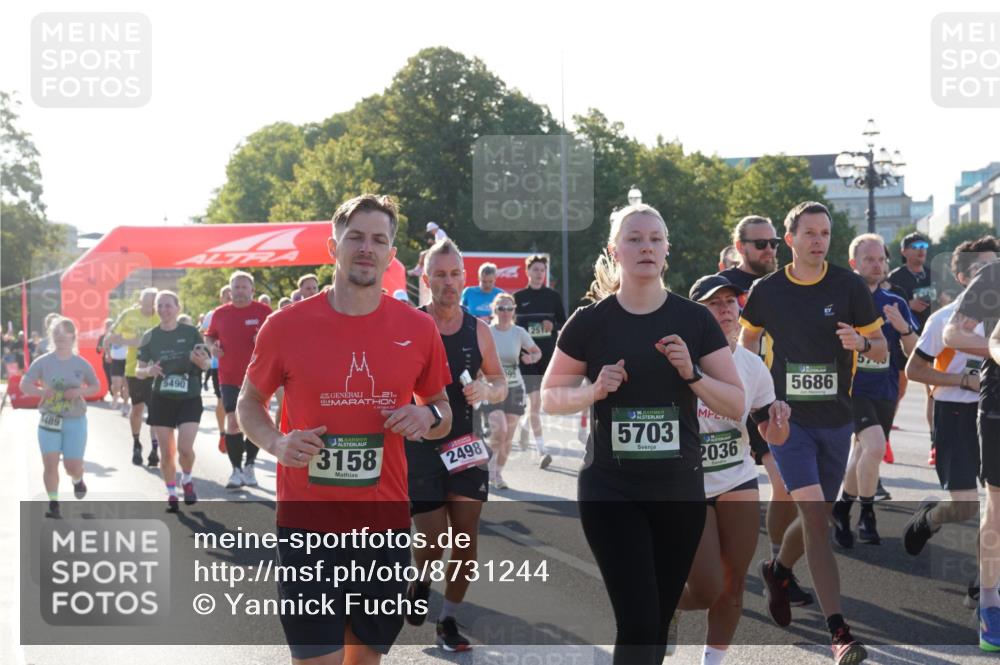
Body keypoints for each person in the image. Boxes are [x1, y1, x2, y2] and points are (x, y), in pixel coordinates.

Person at [237, 193, 452, 664]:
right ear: (333, 247)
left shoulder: (418, 329)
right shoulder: (285, 326)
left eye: (378, 239)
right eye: (355, 237)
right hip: (308, 526)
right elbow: (249, 402)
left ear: (391, 254)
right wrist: (276, 441)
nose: (366, 248)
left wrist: (427, 416)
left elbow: (442, 410)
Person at [542, 203, 744, 664]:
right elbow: (550, 397)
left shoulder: (695, 320)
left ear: (667, 250)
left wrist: (692, 374)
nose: (646, 247)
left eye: (655, 239)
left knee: (656, 621)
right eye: (634, 239)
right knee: (636, 622)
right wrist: (594, 390)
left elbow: (735, 403)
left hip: (678, 490)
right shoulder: (590, 322)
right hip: (611, 487)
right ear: (615, 250)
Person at [740, 201, 885, 664]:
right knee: (818, 521)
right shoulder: (767, 290)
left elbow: (881, 348)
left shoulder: (849, 286)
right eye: (810, 233)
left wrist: (862, 342)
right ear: (791, 240)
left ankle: (778, 569)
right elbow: (746, 341)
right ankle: (839, 631)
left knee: (816, 515)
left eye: (825, 233)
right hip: (788, 421)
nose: (819, 240)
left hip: (836, 420)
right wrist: (756, 398)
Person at [675, 275, 790, 665]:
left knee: (733, 585)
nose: (725, 309)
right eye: (714, 303)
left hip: (737, 476)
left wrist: (779, 422)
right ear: (696, 314)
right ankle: (667, 603)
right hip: (687, 483)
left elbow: (771, 434)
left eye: (730, 301)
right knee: (706, 587)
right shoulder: (679, 360)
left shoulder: (752, 365)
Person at [403, 238, 507, 651]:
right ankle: (420, 579)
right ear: (427, 280)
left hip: (464, 444)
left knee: (465, 539)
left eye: (454, 274)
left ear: (464, 278)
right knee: (432, 540)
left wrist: (486, 389)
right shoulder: (410, 324)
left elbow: (499, 382)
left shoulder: (477, 329)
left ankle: (447, 619)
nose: (448, 282)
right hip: (420, 446)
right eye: (440, 275)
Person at [903, 237, 998, 612]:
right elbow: (914, 370)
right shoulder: (944, 319)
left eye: (992, 265)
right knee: (965, 507)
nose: (988, 274)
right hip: (955, 415)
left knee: (995, 505)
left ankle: (982, 584)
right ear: (962, 278)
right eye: (979, 269)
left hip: (990, 410)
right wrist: (962, 380)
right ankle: (931, 517)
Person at [718, 215, 810, 604]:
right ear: (740, 247)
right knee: (779, 483)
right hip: (740, 400)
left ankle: (776, 567)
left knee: (789, 489)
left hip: (783, 397)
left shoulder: (786, 284)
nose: (770, 249)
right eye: (760, 244)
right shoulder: (722, 288)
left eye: (773, 242)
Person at [832, 234, 917, 547]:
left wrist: (903, 328)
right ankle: (867, 514)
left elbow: (914, 351)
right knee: (875, 446)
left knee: (863, 451)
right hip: (851, 390)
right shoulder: (841, 301)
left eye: (881, 259)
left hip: (885, 389)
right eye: (869, 259)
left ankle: (842, 508)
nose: (877, 265)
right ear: (853, 263)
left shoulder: (895, 302)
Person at [942, 246, 1000, 651]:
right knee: (998, 505)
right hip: (998, 404)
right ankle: (990, 604)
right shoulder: (994, 276)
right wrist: (994, 349)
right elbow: (953, 333)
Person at [136, 291, 212, 512]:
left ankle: (186, 479)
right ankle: (171, 494)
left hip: (189, 397)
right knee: (167, 453)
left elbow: (207, 363)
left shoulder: (190, 333)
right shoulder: (150, 336)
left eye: (168, 305)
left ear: (178, 308)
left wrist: (200, 362)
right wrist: (149, 370)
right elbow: (138, 370)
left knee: (185, 449)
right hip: (162, 398)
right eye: (160, 305)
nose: (163, 309)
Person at [21, 317, 101, 518]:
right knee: (50, 464)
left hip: (75, 420)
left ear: (73, 336)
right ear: (51, 336)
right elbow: (25, 384)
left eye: (65, 333)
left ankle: (77, 479)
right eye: (57, 333)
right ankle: (53, 503)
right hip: (49, 419)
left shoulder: (81, 363)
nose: (61, 337)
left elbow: (96, 386)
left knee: (71, 467)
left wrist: (79, 391)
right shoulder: (43, 361)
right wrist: (41, 392)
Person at [206, 270, 273, 489]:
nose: (240, 291)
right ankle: (236, 470)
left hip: (258, 377)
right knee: (233, 422)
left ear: (252, 290)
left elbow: (279, 337)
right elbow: (210, 336)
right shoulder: (220, 313)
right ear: (230, 290)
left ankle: (250, 465)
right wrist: (212, 347)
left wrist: (263, 338)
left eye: (244, 287)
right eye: (236, 287)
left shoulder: (264, 311)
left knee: (255, 422)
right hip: (228, 377)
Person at [513, 254, 567, 468]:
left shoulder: (553, 296)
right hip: (526, 358)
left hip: (548, 356)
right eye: (535, 269)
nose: (539, 274)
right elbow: (511, 328)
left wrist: (552, 326)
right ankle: (542, 450)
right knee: (535, 402)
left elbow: (564, 323)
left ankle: (525, 426)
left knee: (539, 404)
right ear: (528, 271)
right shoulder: (518, 297)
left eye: (542, 270)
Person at [484, 292, 542, 489]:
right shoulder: (487, 331)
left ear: (514, 311)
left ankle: (497, 474)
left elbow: (537, 352)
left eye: (509, 308)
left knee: (508, 436)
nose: (505, 312)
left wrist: (531, 358)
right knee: (499, 430)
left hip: (515, 388)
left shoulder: (519, 332)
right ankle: (489, 466)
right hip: (492, 388)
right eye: (501, 308)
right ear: (495, 310)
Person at [889, 232, 935, 463]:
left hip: (930, 338)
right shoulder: (896, 277)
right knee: (898, 389)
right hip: (902, 339)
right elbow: (885, 304)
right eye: (915, 246)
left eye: (924, 245)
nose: (921, 249)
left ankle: (935, 443)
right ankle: (883, 435)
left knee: (933, 391)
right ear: (904, 251)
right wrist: (909, 304)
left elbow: (946, 298)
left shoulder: (933, 274)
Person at [109, 288, 161, 467]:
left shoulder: (163, 314)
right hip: (135, 369)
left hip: (158, 370)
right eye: (147, 300)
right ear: (140, 301)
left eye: (153, 300)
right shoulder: (129, 315)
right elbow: (111, 337)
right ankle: (137, 444)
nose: (150, 304)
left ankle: (155, 448)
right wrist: (134, 342)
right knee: (137, 409)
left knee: (156, 411)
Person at [200, 285, 232, 450]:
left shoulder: (246, 312)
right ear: (221, 298)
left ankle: (239, 434)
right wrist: (212, 346)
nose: (229, 297)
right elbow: (204, 334)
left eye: (231, 294)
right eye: (226, 295)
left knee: (242, 403)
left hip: (243, 366)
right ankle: (222, 433)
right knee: (221, 401)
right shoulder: (213, 314)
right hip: (218, 365)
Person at [95, 318, 113, 400]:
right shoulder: (102, 337)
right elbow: (98, 350)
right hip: (106, 360)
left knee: (116, 377)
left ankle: (116, 392)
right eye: (107, 325)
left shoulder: (116, 336)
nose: (108, 327)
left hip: (116, 360)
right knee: (108, 377)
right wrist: (100, 348)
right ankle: (112, 392)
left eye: (110, 325)